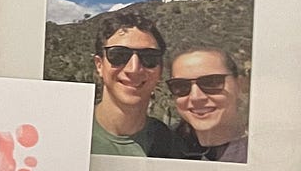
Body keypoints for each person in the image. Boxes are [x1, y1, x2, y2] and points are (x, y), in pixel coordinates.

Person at [89, 12, 175, 157]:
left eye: (149, 57)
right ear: (99, 65)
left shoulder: (173, 146)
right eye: (119, 55)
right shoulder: (66, 132)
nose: (134, 69)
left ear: (160, 70)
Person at [168, 46, 249, 162]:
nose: (196, 97)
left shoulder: (267, 154)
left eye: (211, 82)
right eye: (180, 86)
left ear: (240, 85)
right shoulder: (162, 149)